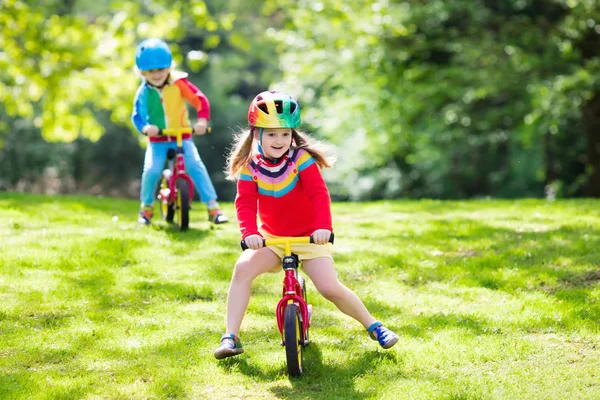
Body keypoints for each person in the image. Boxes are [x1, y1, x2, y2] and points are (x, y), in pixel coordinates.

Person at [213, 90, 398, 359]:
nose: (279, 140)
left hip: (310, 240)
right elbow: (245, 203)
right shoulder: (250, 167)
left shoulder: (301, 160)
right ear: (257, 134)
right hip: (273, 240)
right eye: (272, 133)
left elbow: (318, 194)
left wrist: (323, 227)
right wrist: (249, 233)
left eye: (285, 134)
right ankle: (231, 337)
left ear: (293, 135)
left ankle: (375, 326)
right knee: (243, 268)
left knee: (329, 287)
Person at [131, 38, 228, 225]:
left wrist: (201, 120)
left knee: (196, 167)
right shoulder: (144, 92)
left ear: (169, 67)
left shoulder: (179, 83)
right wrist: (145, 127)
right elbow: (137, 115)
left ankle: (213, 208)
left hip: (182, 136)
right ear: (142, 72)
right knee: (151, 171)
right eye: (150, 71)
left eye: (160, 69)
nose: (156, 74)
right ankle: (146, 209)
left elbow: (200, 100)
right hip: (158, 140)